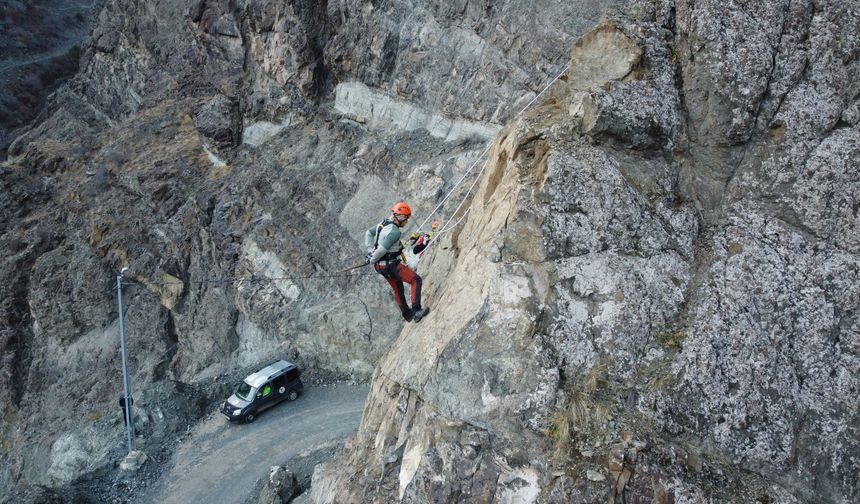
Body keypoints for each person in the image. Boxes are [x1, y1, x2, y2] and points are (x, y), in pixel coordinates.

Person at [365, 202, 430, 322]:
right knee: (415, 280)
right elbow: (381, 250)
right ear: (401, 217)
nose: (407, 222)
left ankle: (407, 314)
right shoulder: (394, 232)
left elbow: (368, 233)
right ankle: (416, 311)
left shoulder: (383, 224)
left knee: (398, 288)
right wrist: (372, 257)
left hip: (380, 267)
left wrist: (369, 251)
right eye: (406, 218)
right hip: (390, 265)